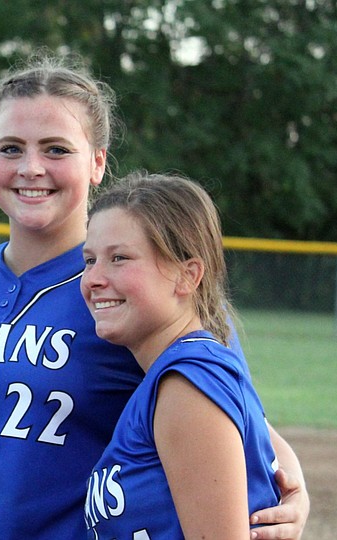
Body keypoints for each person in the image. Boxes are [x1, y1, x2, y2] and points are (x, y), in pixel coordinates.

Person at [0, 53, 308, 539]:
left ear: (97, 162)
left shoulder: (132, 291)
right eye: (10, 148)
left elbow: (234, 411)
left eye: (55, 149)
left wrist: (293, 486)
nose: (31, 167)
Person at [81, 172, 281, 538]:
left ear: (187, 276)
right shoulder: (172, 376)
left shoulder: (187, 380)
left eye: (119, 258)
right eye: (89, 260)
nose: (94, 278)